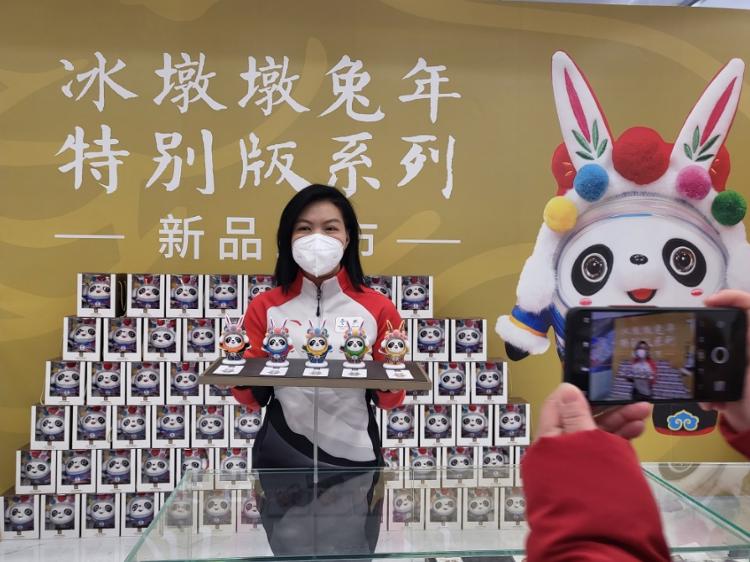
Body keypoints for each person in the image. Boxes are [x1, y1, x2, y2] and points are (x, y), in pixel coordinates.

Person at [230, 184, 405, 559]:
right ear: (288, 238)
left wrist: (393, 377)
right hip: (281, 458)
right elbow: (251, 398)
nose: (317, 238)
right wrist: (238, 372)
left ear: (348, 237)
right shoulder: (265, 307)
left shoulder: (378, 308)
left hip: (356, 459)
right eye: (304, 228)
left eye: (330, 228)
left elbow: (391, 400)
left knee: (351, 556)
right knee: (289, 553)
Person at [523, 289, 750, 561]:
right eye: (640, 348)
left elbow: (665, 378)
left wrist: (581, 509)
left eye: (644, 348)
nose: (642, 351)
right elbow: (625, 381)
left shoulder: (657, 366)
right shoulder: (627, 367)